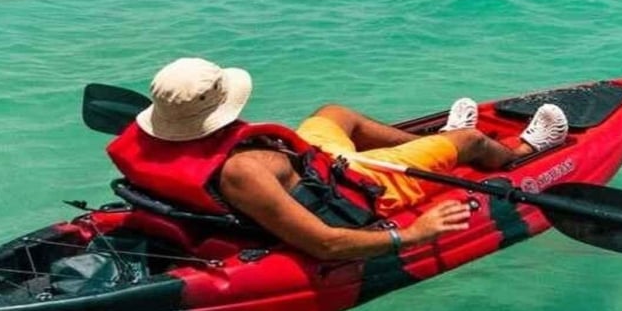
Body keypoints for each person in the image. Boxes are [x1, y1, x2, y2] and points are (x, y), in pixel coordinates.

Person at [105, 58, 571, 264]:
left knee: (335, 114)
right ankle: (521, 152)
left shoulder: (153, 141)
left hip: (316, 166)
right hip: (359, 191)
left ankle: (432, 139)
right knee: (471, 142)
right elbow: (325, 244)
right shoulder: (242, 172)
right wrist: (413, 233)